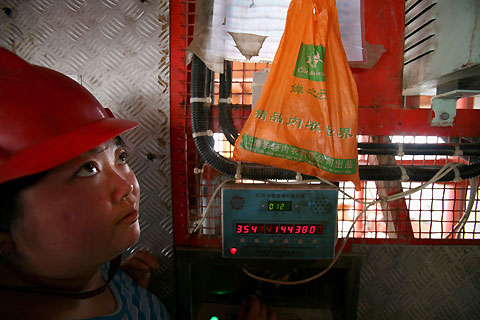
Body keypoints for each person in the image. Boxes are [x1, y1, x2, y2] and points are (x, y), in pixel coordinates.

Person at [0, 47, 276, 320]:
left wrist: (117, 284)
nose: (127, 186)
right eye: (88, 169)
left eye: (120, 157)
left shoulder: (92, 276)